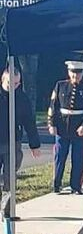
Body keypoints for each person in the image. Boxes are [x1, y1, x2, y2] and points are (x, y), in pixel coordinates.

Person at [0, 69, 41, 202]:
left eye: (17, 83)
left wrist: (34, 145)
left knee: (10, 176)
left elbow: (29, 122)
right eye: (10, 83)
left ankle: (7, 209)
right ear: (3, 79)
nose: (14, 86)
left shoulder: (22, 98)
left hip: (13, 142)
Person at [48, 60, 83, 194]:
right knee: (60, 156)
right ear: (68, 72)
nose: (75, 76)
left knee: (78, 158)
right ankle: (56, 184)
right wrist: (52, 123)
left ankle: (76, 186)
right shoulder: (60, 85)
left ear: (82, 74)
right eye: (73, 73)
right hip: (62, 126)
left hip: (79, 128)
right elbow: (54, 106)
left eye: (78, 74)